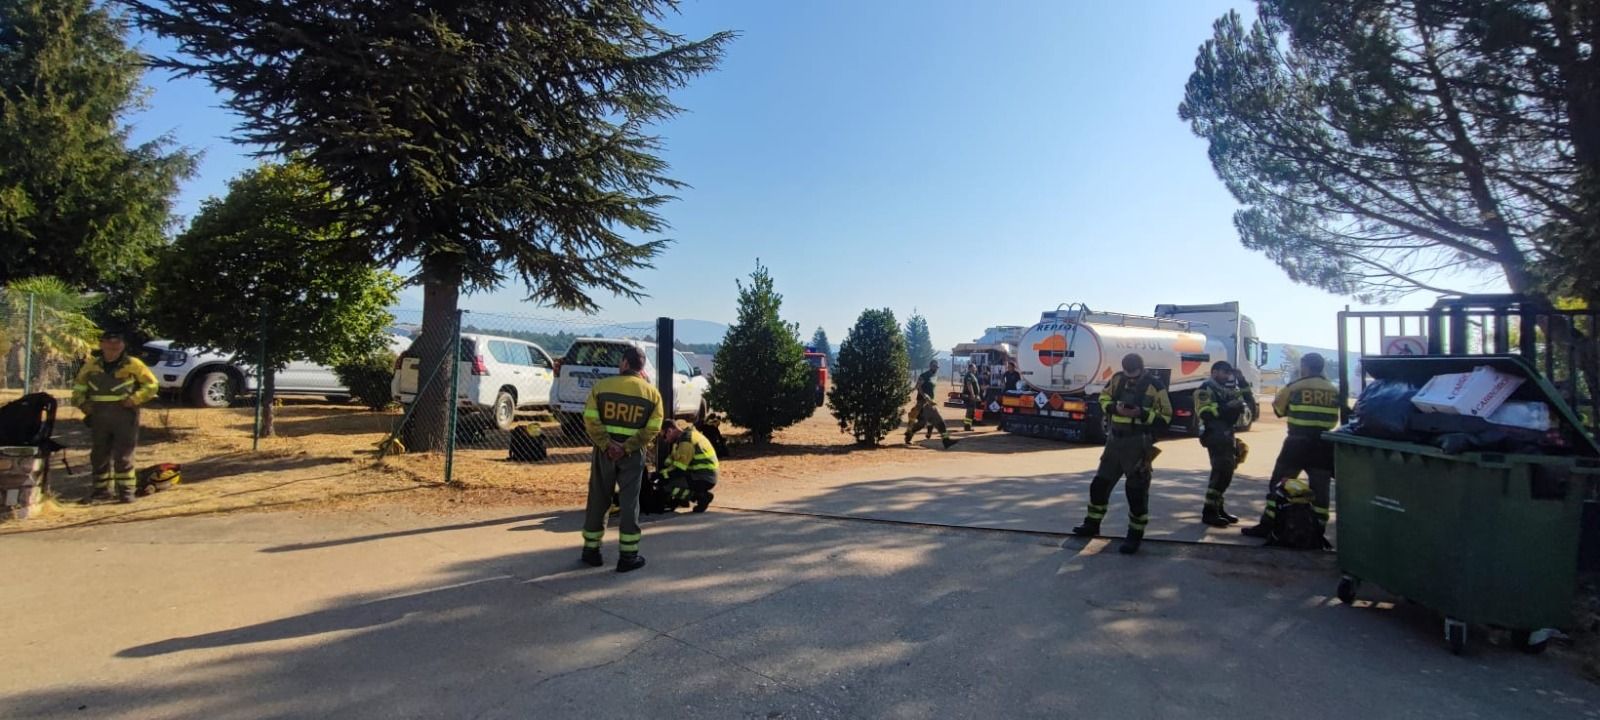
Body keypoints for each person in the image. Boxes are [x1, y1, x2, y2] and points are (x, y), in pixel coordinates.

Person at [1072, 353, 1172, 554]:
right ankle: (1092, 524)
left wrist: (1141, 413)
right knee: (1099, 485)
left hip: (1138, 443)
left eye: (1134, 375)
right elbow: (1103, 397)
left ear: (1142, 369)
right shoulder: (1118, 378)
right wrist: (1113, 408)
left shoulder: (1155, 386)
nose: (1130, 378)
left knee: (1136, 491)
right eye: (1127, 374)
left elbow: (1166, 417)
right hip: (1114, 442)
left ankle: (1135, 534)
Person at [580, 346, 664, 573]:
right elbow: (653, 428)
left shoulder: (602, 387)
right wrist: (627, 447)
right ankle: (628, 556)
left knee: (599, 498)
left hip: (603, 453)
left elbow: (590, 419)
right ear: (641, 366)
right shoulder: (652, 394)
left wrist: (607, 444)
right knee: (629, 503)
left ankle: (591, 551)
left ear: (625, 363)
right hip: (633, 455)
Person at [1243, 352, 1340, 542]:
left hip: (1297, 443)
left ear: (1305, 366)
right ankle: (1318, 530)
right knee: (1321, 490)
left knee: (1279, 484)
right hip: (1323, 445)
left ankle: (1268, 526)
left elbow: (1279, 409)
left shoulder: (1295, 387)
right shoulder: (1333, 389)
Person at [72, 328, 158, 504]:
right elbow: (78, 388)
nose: (113, 346)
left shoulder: (133, 364)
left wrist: (134, 399)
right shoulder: (91, 365)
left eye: (117, 342)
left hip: (125, 415)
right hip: (99, 416)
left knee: (124, 455)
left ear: (123, 345)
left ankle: (126, 492)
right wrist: (83, 404)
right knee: (99, 454)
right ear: (101, 344)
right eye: (109, 342)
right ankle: (101, 492)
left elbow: (152, 385)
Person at [1195, 361, 1256, 527]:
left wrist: (1242, 380)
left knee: (1226, 473)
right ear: (1214, 372)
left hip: (1227, 433)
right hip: (1214, 434)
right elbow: (1206, 413)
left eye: (1229, 373)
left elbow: (1249, 401)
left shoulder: (1228, 390)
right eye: (1224, 372)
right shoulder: (1204, 389)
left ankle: (1218, 508)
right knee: (1221, 472)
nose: (1227, 376)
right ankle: (1209, 512)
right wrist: (1228, 407)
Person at [657, 419, 718, 512]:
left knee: (667, 485)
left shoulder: (686, 441)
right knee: (671, 479)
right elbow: (673, 461)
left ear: (669, 431)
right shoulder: (684, 437)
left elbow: (679, 470)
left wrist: (660, 476)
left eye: (664, 436)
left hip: (703, 477)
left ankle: (700, 497)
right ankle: (683, 499)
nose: (665, 440)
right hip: (704, 474)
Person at [905, 360, 958, 449]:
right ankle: (946, 441)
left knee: (922, 423)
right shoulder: (924, 375)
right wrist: (925, 396)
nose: (935, 368)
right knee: (939, 421)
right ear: (930, 366)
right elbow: (918, 386)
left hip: (929, 402)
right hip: (924, 403)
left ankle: (909, 434)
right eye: (934, 366)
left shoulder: (935, 376)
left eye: (936, 367)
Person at [960, 362, 982, 431]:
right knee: (970, 411)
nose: (975, 369)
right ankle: (967, 427)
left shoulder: (972, 375)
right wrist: (972, 395)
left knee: (971, 411)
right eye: (974, 368)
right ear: (970, 368)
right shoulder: (969, 375)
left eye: (975, 368)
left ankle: (968, 426)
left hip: (972, 396)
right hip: (969, 396)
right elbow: (969, 385)